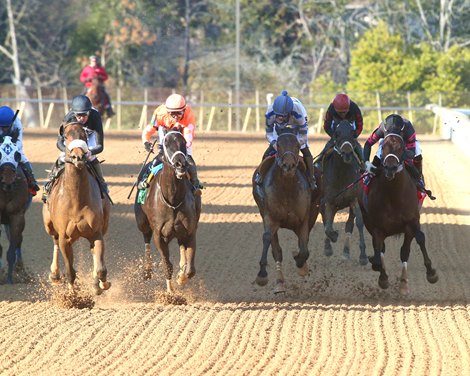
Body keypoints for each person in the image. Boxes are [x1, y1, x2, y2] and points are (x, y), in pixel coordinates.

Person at [42, 95, 108, 203]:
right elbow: (59, 143)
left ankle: (102, 183)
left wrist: (90, 152)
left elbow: (100, 146)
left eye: (84, 115)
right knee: (62, 158)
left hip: (89, 137)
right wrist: (67, 152)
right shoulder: (68, 118)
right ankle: (49, 183)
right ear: (74, 113)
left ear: (89, 112)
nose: (81, 118)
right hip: (74, 136)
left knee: (91, 158)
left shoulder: (95, 117)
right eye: (78, 115)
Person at [140, 93, 203, 196]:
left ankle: (195, 184)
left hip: (182, 136)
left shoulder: (188, 115)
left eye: (178, 113)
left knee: (189, 160)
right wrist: (146, 142)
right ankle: (145, 179)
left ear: (184, 110)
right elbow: (148, 130)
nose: (175, 117)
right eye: (172, 113)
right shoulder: (160, 114)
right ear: (167, 111)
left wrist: (184, 149)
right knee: (158, 160)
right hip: (166, 132)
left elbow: (188, 135)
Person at [363, 113, 434, 198]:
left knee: (417, 150)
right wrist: (366, 162)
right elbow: (368, 144)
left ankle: (418, 179)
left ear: (401, 129)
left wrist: (399, 156)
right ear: (386, 130)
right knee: (380, 152)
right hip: (387, 142)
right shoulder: (382, 128)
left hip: (404, 143)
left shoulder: (408, 129)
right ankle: (368, 177)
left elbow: (411, 153)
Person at [256, 90, 317, 190]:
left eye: (283, 116)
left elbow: (303, 136)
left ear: (289, 113)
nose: (280, 118)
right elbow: (269, 133)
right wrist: (274, 144)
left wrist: (297, 144)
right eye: (278, 115)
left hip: (296, 126)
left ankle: (311, 178)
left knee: (305, 150)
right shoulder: (270, 113)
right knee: (268, 152)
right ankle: (261, 175)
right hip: (278, 129)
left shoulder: (299, 114)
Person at [0, 106, 40, 195]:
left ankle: (31, 182)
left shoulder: (17, 122)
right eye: (2, 127)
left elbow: (19, 142)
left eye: (6, 127)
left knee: (22, 157)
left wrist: (11, 151)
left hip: (14, 143)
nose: (4, 129)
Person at [317, 93, 364, 167]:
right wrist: (334, 136)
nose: (342, 115)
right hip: (337, 134)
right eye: (340, 112)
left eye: (344, 112)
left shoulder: (354, 108)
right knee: (326, 149)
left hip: (350, 135)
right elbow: (326, 126)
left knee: (360, 151)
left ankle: (364, 166)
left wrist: (354, 135)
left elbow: (360, 125)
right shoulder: (331, 108)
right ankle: (318, 164)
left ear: (348, 108)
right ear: (335, 109)